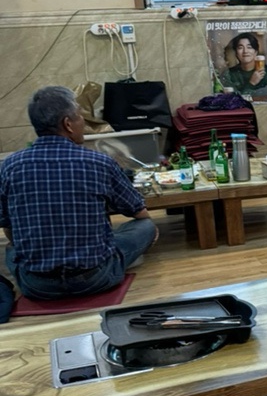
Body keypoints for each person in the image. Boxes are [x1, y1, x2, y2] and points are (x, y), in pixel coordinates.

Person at [0, 86, 158, 300]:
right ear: (68, 124)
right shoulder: (99, 162)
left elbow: (7, 226)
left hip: (36, 286)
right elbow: (138, 212)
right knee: (146, 226)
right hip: (96, 279)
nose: (83, 122)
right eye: (80, 116)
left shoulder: (9, 167)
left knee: (12, 247)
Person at [222, 32, 267, 96]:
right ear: (236, 53)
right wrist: (251, 83)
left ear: (256, 52)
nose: (245, 51)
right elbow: (233, 99)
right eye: (240, 48)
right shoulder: (229, 74)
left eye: (249, 47)